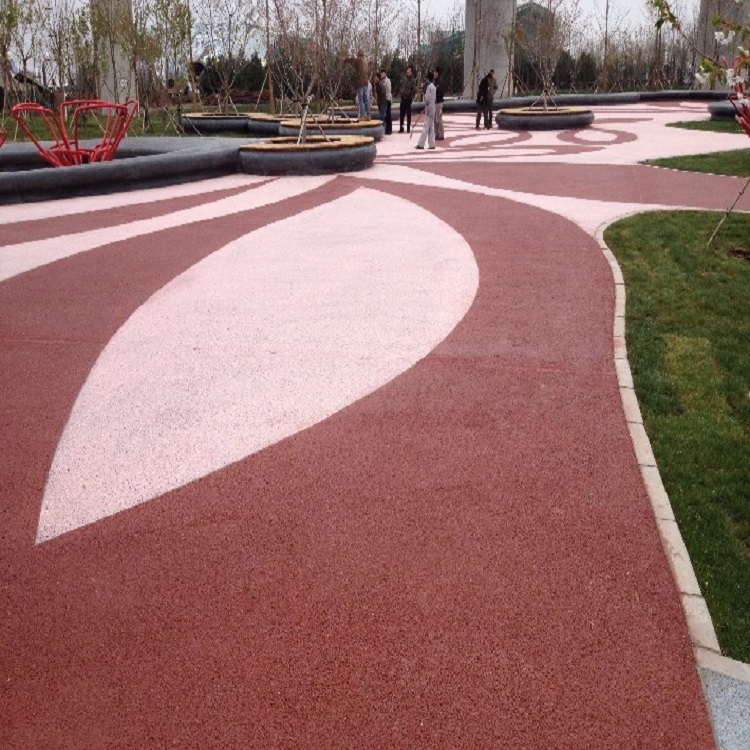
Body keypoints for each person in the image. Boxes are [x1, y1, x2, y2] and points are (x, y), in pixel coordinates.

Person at [344, 50, 370, 119]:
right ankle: (368, 115)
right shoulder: (366, 63)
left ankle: (361, 116)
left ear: (359, 55)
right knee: (366, 100)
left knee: (360, 100)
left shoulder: (359, 60)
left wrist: (345, 59)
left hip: (360, 83)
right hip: (366, 83)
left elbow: (352, 60)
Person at [416, 71, 436, 150]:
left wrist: (425, 106)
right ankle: (432, 144)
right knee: (431, 127)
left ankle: (421, 144)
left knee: (426, 127)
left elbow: (427, 99)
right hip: (433, 108)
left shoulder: (429, 87)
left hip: (429, 110)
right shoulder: (434, 87)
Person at [398, 66, 415, 133]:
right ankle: (401, 128)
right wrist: (400, 94)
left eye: (409, 71)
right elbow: (401, 87)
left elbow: (413, 90)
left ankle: (408, 128)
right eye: (407, 71)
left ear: (411, 72)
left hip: (408, 98)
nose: (408, 72)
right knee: (401, 114)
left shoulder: (413, 80)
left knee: (408, 114)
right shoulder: (404, 78)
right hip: (403, 98)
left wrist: (408, 95)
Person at [379, 67, 392, 134]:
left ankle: (389, 130)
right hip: (383, 100)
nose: (382, 74)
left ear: (385, 73)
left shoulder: (387, 80)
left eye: (383, 73)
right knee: (384, 115)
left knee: (388, 115)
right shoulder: (381, 81)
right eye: (381, 73)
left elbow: (388, 89)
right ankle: (386, 129)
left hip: (387, 99)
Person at [433, 66, 445, 140]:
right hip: (434, 103)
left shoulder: (440, 82)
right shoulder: (434, 81)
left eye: (435, 72)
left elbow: (441, 93)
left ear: (438, 73)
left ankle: (441, 134)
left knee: (439, 118)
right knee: (435, 119)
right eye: (434, 72)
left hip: (438, 102)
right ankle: (436, 133)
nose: (434, 73)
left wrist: (436, 98)